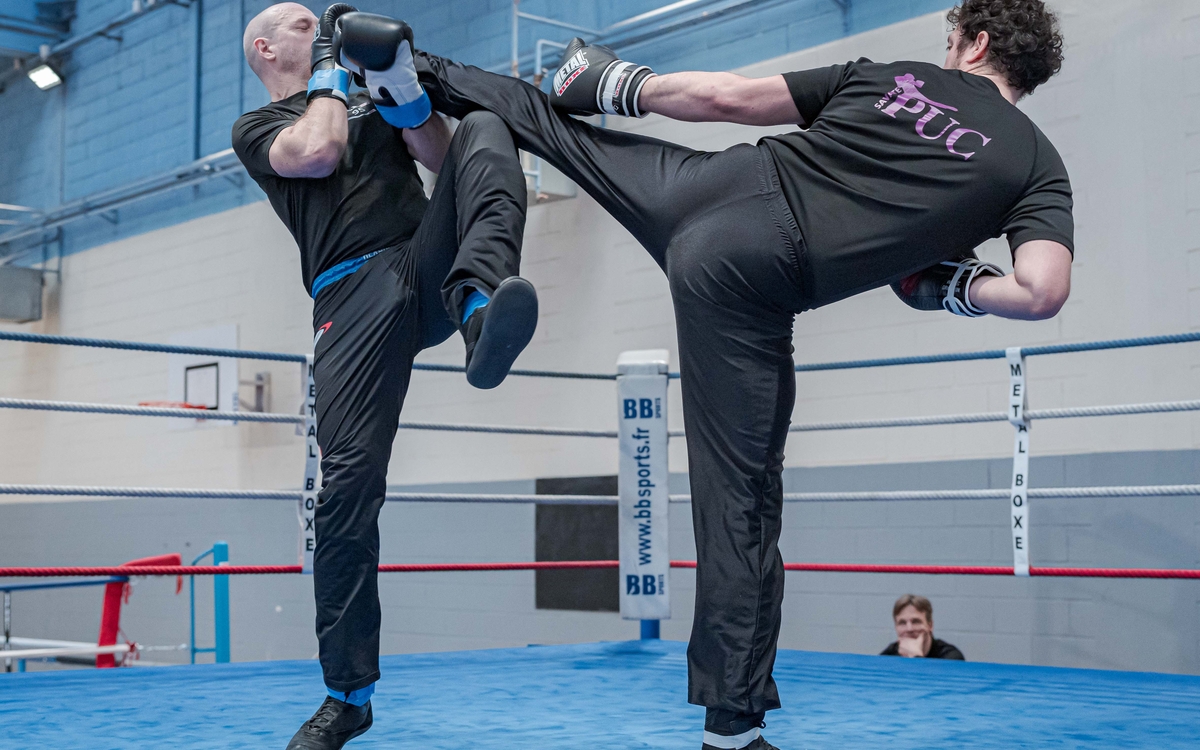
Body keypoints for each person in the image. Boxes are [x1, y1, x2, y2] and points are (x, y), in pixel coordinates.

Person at [359, 0, 1070, 746]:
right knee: (741, 505)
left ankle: (415, 73)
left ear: (976, 41)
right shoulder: (1033, 165)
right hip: (749, 281)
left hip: (708, 185)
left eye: (951, 37)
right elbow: (1041, 291)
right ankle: (731, 726)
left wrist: (616, 82)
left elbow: (721, 99)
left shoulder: (892, 75)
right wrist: (955, 288)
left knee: (556, 130)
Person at [232, 4, 537, 748]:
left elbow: (441, 158)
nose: (319, 24)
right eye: (303, 23)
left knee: (486, 128)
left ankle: (476, 306)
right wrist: (339, 69)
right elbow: (320, 152)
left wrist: (402, 92)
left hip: (423, 260)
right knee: (347, 492)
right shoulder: (261, 126)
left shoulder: (360, 93)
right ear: (266, 47)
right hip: (349, 295)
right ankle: (348, 695)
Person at [880, 594, 965, 660]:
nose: (909, 629)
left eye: (916, 622)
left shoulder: (950, 656)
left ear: (930, 625)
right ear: (896, 627)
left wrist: (915, 656)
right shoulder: (889, 656)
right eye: (902, 623)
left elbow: (930, 682)